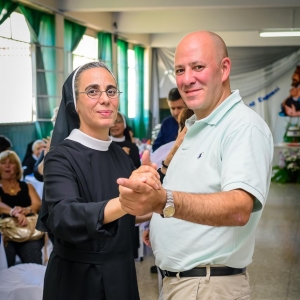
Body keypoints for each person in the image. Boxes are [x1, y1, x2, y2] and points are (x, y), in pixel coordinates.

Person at [117, 31, 274, 300]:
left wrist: (162, 202)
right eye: (180, 70)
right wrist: (158, 220)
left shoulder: (242, 126)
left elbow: (238, 209)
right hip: (185, 283)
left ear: (224, 69)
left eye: (198, 67)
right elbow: (191, 193)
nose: (187, 79)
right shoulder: (194, 126)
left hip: (208, 286)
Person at [36, 61, 159, 300]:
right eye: (92, 91)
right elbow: (64, 215)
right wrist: (125, 202)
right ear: (75, 104)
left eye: (111, 91)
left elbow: (127, 215)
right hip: (78, 281)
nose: (105, 99)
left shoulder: (120, 156)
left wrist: (156, 203)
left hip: (122, 274)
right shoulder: (60, 157)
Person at [0, 150, 43, 267]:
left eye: (11, 163)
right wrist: (13, 212)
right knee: (5, 257)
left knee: (33, 252)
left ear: (17, 167)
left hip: (29, 232)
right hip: (5, 234)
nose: (8, 166)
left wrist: (26, 210)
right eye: (3, 162)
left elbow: (38, 204)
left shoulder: (27, 186)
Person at [152, 87, 186, 151]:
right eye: (172, 108)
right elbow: (156, 148)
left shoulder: (194, 122)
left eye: (179, 108)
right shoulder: (166, 123)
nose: (176, 113)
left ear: (187, 106)